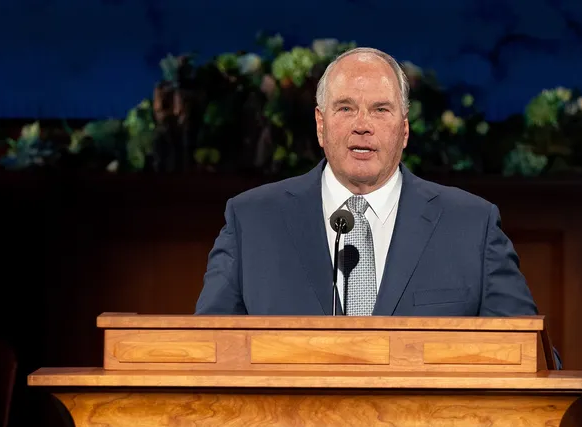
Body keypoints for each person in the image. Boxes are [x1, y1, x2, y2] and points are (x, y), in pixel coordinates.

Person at [195, 47, 540, 321]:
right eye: (346, 108)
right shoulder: (251, 221)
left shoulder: (471, 226)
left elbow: (528, 357)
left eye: (380, 110)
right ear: (321, 125)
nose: (362, 125)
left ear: (404, 130)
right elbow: (206, 354)